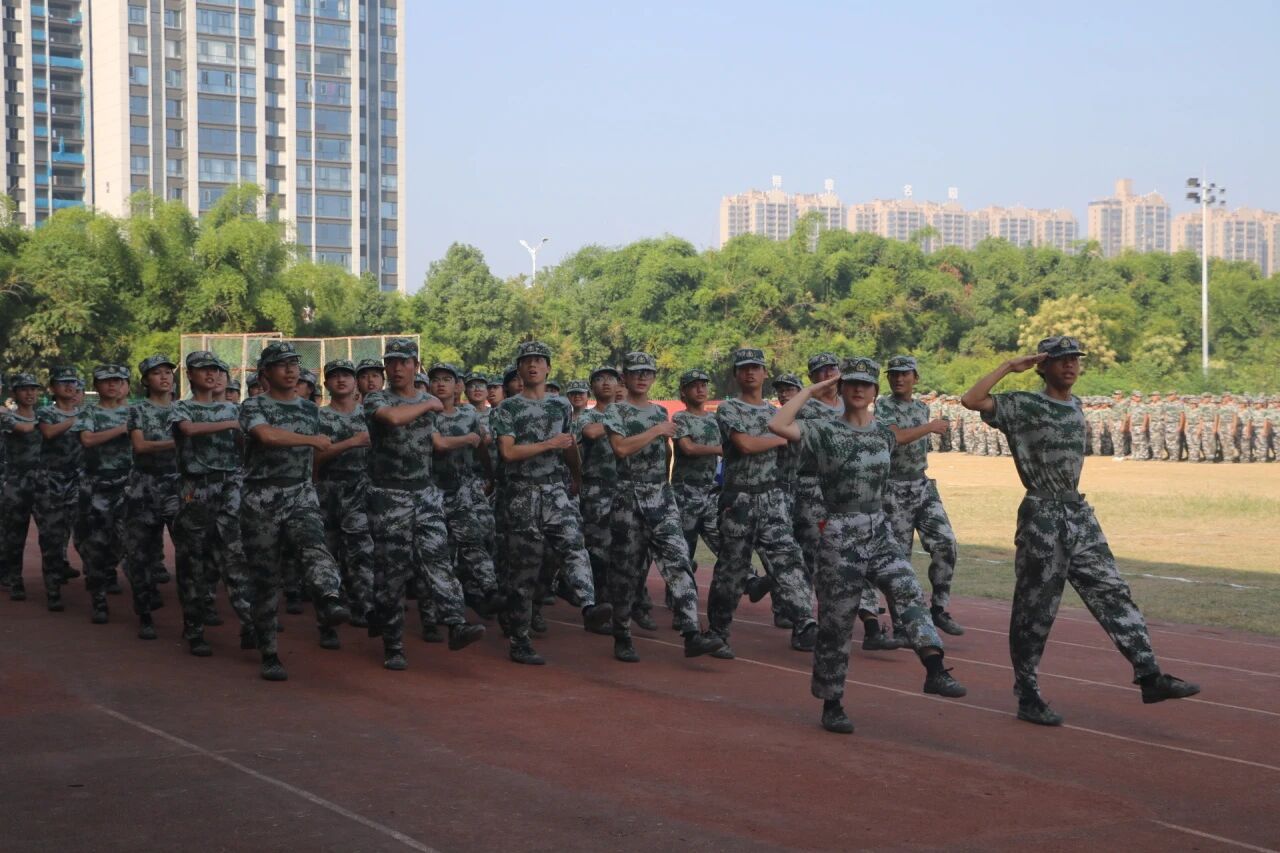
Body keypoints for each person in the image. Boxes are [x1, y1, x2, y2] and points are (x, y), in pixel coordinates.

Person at [961, 335, 1200, 725]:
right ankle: (1028, 694)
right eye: (1061, 359)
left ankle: (1149, 675)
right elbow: (971, 400)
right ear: (1043, 366)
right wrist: (1008, 366)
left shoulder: (1077, 405)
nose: (1070, 365)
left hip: (1078, 512)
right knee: (1035, 610)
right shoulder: (1023, 405)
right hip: (1042, 516)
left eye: (1074, 359)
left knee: (1113, 591)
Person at [769, 357, 968, 734]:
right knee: (836, 624)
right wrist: (812, 390)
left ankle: (935, 668)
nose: (858, 389)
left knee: (908, 589)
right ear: (842, 390)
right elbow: (777, 424)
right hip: (840, 534)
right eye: (851, 384)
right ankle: (832, 703)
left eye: (866, 384)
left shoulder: (883, 433)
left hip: (879, 530)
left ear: (875, 392)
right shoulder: (823, 430)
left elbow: (904, 442)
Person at [363, 338, 485, 671]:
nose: (397, 368)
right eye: (391, 362)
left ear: (415, 366)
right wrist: (428, 404)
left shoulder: (428, 401)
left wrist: (462, 434)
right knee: (393, 571)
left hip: (425, 493)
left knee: (437, 557)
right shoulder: (377, 398)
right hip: (389, 496)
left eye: (404, 362)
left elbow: (438, 441)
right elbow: (392, 419)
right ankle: (393, 644)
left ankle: (455, 622)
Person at [489, 341, 612, 665]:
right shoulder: (507, 408)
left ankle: (588, 604)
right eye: (527, 361)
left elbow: (568, 444)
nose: (533, 365)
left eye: (539, 361)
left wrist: (577, 476)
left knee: (574, 543)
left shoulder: (560, 406)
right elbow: (508, 452)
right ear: (519, 369)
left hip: (555, 488)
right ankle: (520, 640)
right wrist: (549, 444)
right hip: (521, 493)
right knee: (525, 570)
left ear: (548, 368)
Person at [239, 342, 353, 680]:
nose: (290, 370)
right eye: (281, 365)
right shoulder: (253, 406)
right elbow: (265, 436)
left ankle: (329, 598)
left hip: (300, 493)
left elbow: (324, 449)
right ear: (265, 373)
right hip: (261, 498)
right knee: (265, 579)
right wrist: (310, 441)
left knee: (314, 544)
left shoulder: (310, 410)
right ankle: (269, 651)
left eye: (294, 364)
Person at [602, 352, 724, 662]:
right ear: (624, 378)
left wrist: (664, 482)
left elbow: (666, 454)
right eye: (636, 372)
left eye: (648, 372)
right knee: (627, 570)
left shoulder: (659, 410)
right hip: (628, 497)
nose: (642, 377)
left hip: (660, 495)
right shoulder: (616, 411)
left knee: (679, 559)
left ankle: (691, 632)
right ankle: (622, 633)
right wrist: (656, 430)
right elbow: (620, 448)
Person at [706, 347, 817, 659]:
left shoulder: (775, 414)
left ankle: (805, 622)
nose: (750, 372)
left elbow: (794, 455)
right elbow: (744, 444)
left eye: (755, 367)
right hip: (738, 500)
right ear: (736, 374)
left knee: (789, 559)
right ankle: (717, 632)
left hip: (772, 498)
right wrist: (781, 438)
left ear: (765, 373)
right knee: (732, 570)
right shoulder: (728, 409)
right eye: (744, 368)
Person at [169, 351, 256, 657]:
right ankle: (194, 629)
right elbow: (188, 430)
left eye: (217, 370)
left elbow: (244, 445)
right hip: (195, 489)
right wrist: (232, 424)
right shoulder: (182, 408)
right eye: (204, 369)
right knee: (193, 560)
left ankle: (250, 623)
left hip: (229, 486)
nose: (212, 374)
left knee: (234, 557)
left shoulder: (232, 408)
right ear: (190, 375)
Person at [876, 355, 963, 636]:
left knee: (946, 543)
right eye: (893, 374)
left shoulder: (922, 408)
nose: (898, 379)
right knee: (900, 559)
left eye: (904, 374)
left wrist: (933, 425)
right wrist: (931, 427)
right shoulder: (884, 406)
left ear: (916, 377)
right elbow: (897, 437)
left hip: (922, 484)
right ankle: (902, 622)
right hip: (894, 489)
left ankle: (938, 608)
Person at [428, 362, 500, 620]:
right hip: (433, 490)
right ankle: (440, 610)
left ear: (457, 385)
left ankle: (487, 590)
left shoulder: (468, 414)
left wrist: (490, 475)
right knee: (439, 549)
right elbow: (439, 445)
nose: (441, 384)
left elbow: (481, 448)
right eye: (436, 379)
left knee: (478, 536)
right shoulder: (425, 414)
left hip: (464, 487)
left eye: (446, 379)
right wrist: (467, 439)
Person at [314, 358, 377, 641]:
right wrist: (351, 442)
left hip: (359, 489)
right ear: (326, 383)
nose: (341, 380)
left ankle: (364, 608)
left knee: (361, 551)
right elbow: (314, 457)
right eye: (334, 376)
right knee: (326, 556)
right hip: (326, 490)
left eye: (346, 376)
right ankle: (327, 621)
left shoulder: (370, 415)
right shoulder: (319, 417)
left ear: (355, 382)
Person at [73, 365, 136, 626]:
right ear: (96, 386)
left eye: (118, 381)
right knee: (96, 542)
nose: (112, 385)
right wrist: (121, 430)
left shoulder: (134, 411)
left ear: (125, 385)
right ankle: (98, 599)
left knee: (126, 539)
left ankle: (111, 571)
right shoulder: (89, 412)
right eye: (106, 381)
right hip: (97, 483)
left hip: (127, 482)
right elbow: (87, 440)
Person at [125, 355, 181, 639]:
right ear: (146, 380)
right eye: (157, 373)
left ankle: (195, 616)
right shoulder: (138, 410)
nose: (164, 377)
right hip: (144, 487)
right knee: (141, 553)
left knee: (189, 550)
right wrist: (179, 442)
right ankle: (145, 613)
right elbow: (141, 446)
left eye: (168, 372)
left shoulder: (183, 409)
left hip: (178, 486)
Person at [571, 365, 621, 632]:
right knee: (599, 552)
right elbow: (589, 433)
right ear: (592, 388)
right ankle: (598, 609)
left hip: (623, 490)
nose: (605, 383)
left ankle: (622, 606)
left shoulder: (626, 413)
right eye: (599, 379)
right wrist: (620, 421)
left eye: (611, 379)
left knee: (623, 552)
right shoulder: (586, 417)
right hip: (596, 491)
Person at [34, 367, 85, 609]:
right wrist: (76, 419)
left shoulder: (85, 412)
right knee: (51, 537)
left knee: (86, 534)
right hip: (51, 481)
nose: (69, 386)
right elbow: (49, 432)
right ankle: (53, 589)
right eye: (63, 382)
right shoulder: (46, 412)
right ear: (52, 388)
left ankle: (100, 584)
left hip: (78, 480)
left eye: (72, 382)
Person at [670, 369, 722, 572]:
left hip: (710, 490)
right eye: (694, 386)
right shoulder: (681, 418)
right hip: (686, 491)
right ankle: (680, 585)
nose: (700, 390)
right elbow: (688, 448)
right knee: (685, 546)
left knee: (721, 539)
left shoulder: (715, 419)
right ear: (683, 392)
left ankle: (750, 579)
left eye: (703, 385)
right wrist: (719, 449)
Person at [0, 373, 43, 602]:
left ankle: (53, 581)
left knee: (50, 533)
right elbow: (24, 429)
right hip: (16, 482)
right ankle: (14, 579)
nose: (30, 393)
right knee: (15, 535)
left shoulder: (43, 415)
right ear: (14, 393)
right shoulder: (7, 417)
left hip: (42, 482)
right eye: (24, 389)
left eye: (33, 389)